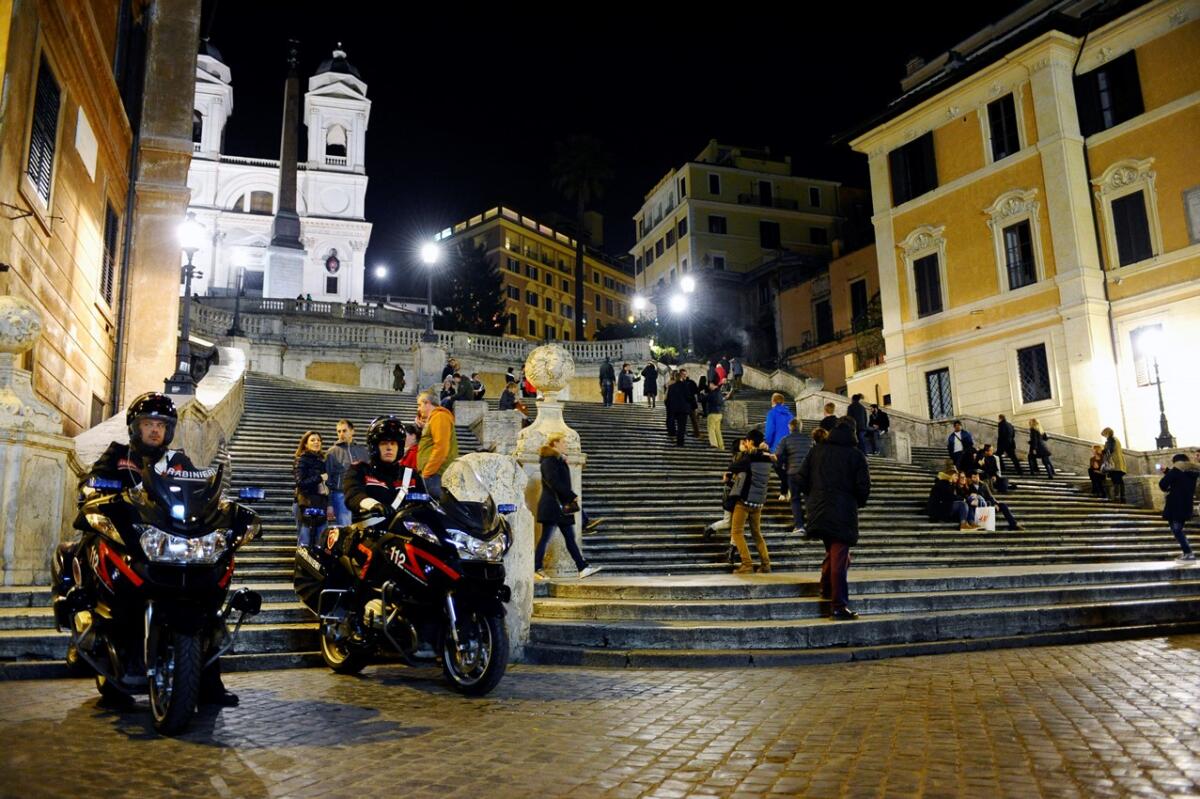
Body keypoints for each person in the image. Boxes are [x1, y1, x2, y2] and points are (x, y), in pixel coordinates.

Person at [78, 393, 237, 706]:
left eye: (161, 425)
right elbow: (92, 480)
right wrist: (92, 487)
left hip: (171, 543)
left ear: (169, 430)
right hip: (134, 540)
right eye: (148, 424)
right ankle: (110, 670)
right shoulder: (118, 455)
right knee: (111, 584)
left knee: (205, 604)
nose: (154, 430)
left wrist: (215, 504)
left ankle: (209, 684)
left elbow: (200, 491)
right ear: (135, 427)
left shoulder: (178, 462)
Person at [798, 417, 871, 619]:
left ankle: (826, 587)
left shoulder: (817, 450)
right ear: (853, 432)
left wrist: (813, 496)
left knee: (835, 553)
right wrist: (856, 501)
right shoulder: (855, 455)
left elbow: (800, 478)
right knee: (840, 557)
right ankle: (838, 606)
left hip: (818, 509)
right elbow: (863, 486)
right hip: (842, 511)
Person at [535, 432, 601, 580]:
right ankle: (536, 568)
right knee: (546, 538)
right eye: (563, 442)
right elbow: (553, 482)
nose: (566, 445)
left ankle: (582, 567)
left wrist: (562, 460)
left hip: (559, 507)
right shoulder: (549, 460)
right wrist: (571, 495)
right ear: (555, 443)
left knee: (569, 538)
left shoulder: (556, 460)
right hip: (552, 506)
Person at [343, 417, 423, 522]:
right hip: (372, 529)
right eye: (384, 443)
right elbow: (353, 494)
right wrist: (372, 504)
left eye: (393, 443)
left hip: (406, 529)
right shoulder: (360, 470)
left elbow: (424, 504)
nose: (389, 448)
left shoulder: (410, 474)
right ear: (374, 447)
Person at [724, 433, 774, 574]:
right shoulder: (767, 457)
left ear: (751, 442)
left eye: (746, 441)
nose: (745, 443)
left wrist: (747, 452)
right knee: (757, 534)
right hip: (758, 502)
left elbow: (733, 466)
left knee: (736, 532)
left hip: (745, 501)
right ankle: (766, 564)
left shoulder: (749, 458)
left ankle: (747, 564)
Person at [325, 419, 368, 527]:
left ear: (352, 431)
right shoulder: (332, 452)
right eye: (338, 431)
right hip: (340, 495)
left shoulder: (362, 451)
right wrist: (329, 504)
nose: (341, 434)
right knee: (346, 528)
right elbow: (327, 479)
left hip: (361, 494)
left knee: (362, 528)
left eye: (344, 431)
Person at [416, 390, 458, 500]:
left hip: (435, 474)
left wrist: (427, 472)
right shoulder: (435, 418)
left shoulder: (440, 416)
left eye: (419, 405)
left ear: (427, 403)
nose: (418, 409)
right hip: (434, 474)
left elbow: (441, 448)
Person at [774, 418, 811, 535]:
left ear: (790, 427)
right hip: (807, 474)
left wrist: (781, 470)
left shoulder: (785, 440)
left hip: (792, 473)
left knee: (795, 499)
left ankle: (799, 525)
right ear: (800, 427)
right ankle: (812, 524)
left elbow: (778, 456)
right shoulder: (809, 439)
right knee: (809, 499)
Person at [1159, 453, 1198, 562]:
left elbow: (1163, 484)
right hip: (1186, 505)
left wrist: (1168, 474)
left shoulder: (1175, 471)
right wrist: (1168, 471)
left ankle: (1188, 553)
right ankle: (1187, 553)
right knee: (1177, 529)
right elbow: (1181, 478)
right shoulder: (1192, 473)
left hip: (1175, 505)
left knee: (1176, 530)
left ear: (1176, 462)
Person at [293, 431, 328, 547]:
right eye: (312, 440)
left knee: (321, 540)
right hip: (305, 502)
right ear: (305, 444)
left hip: (320, 502)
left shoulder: (321, 460)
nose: (316, 442)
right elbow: (300, 482)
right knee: (305, 539)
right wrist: (319, 478)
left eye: (318, 440)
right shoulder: (301, 459)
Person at [763, 392, 794, 500]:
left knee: (778, 468)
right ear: (783, 402)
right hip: (789, 445)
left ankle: (787, 488)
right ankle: (784, 492)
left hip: (777, 446)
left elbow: (770, 430)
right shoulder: (790, 414)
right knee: (786, 469)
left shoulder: (772, 413)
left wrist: (767, 442)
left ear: (773, 401)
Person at [926, 463, 974, 530]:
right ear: (950, 475)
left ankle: (972, 523)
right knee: (962, 504)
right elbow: (950, 497)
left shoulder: (949, 483)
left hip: (945, 505)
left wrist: (966, 499)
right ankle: (963, 524)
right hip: (939, 508)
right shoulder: (942, 484)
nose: (957, 478)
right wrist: (963, 499)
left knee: (968, 503)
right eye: (955, 476)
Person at [664, 371, 692, 447]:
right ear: (680, 378)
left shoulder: (671, 387)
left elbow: (668, 399)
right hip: (683, 409)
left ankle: (673, 434)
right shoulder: (685, 386)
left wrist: (670, 407)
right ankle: (680, 443)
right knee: (681, 427)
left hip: (674, 409)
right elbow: (688, 397)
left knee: (675, 424)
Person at [1101, 427, 1127, 503]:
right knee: (1120, 480)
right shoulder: (1116, 439)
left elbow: (1109, 450)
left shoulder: (1111, 439)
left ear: (1107, 433)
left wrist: (1102, 451)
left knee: (1116, 480)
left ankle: (1117, 498)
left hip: (1114, 464)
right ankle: (1122, 498)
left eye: (1104, 435)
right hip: (1119, 463)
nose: (1104, 437)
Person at [703, 378, 725, 450]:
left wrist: (702, 394)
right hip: (719, 413)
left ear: (712, 384)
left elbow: (704, 399)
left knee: (711, 429)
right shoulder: (719, 392)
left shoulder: (713, 393)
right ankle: (721, 446)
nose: (709, 386)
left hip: (712, 413)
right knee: (718, 430)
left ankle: (714, 444)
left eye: (710, 384)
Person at [679, 368, 702, 437]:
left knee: (693, 419)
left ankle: (696, 433)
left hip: (690, 403)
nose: (684, 375)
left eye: (685, 374)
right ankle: (684, 432)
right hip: (684, 404)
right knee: (683, 420)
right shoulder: (680, 383)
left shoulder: (691, 382)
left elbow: (696, 392)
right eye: (683, 374)